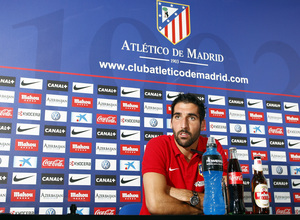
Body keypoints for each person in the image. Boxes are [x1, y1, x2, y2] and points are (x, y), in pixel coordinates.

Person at [140, 93, 228, 215]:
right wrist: (200, 207)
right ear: (171, 122)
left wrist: (170, 191)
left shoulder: (213, 148)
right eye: (178, 117)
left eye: (191, 118)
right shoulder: (157, 145)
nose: (183, 125)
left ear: (203, 125)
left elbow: (223, 201)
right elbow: (156, 205)